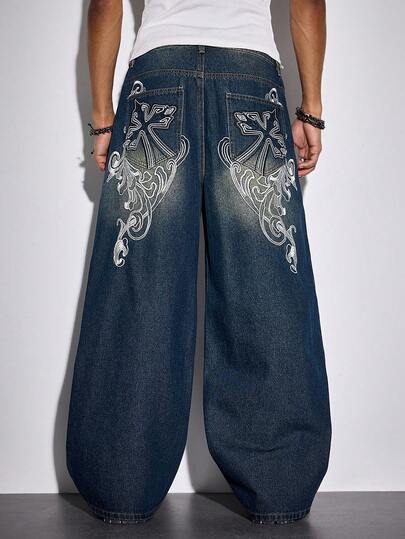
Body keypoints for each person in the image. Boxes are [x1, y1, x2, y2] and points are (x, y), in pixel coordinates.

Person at [66, 0, 331, 526]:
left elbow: (105, 6)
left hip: (156, 80)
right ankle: (280, 486)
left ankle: (119, 484)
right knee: (268, 290)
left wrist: (101, 118)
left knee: (138, 291)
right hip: (251, 82)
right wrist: (311, 110)